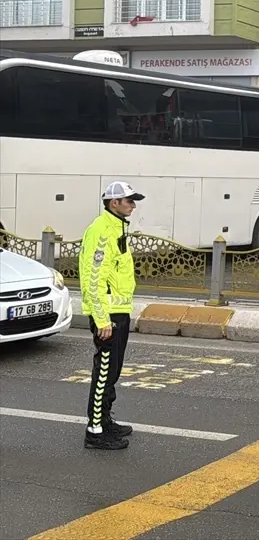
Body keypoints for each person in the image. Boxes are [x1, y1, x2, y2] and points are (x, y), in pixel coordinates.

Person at [80, 181, 145, 450]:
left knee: (113, 371)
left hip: (119, 311)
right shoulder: (102, 231)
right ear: (113, 203)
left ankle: (105, 420)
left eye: (133, 200)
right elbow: (93, 278)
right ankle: (95, 431)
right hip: (108, 315)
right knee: (104, 371)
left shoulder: (117, 228)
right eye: (129, 200)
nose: (133, 205)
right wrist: (102, 318)